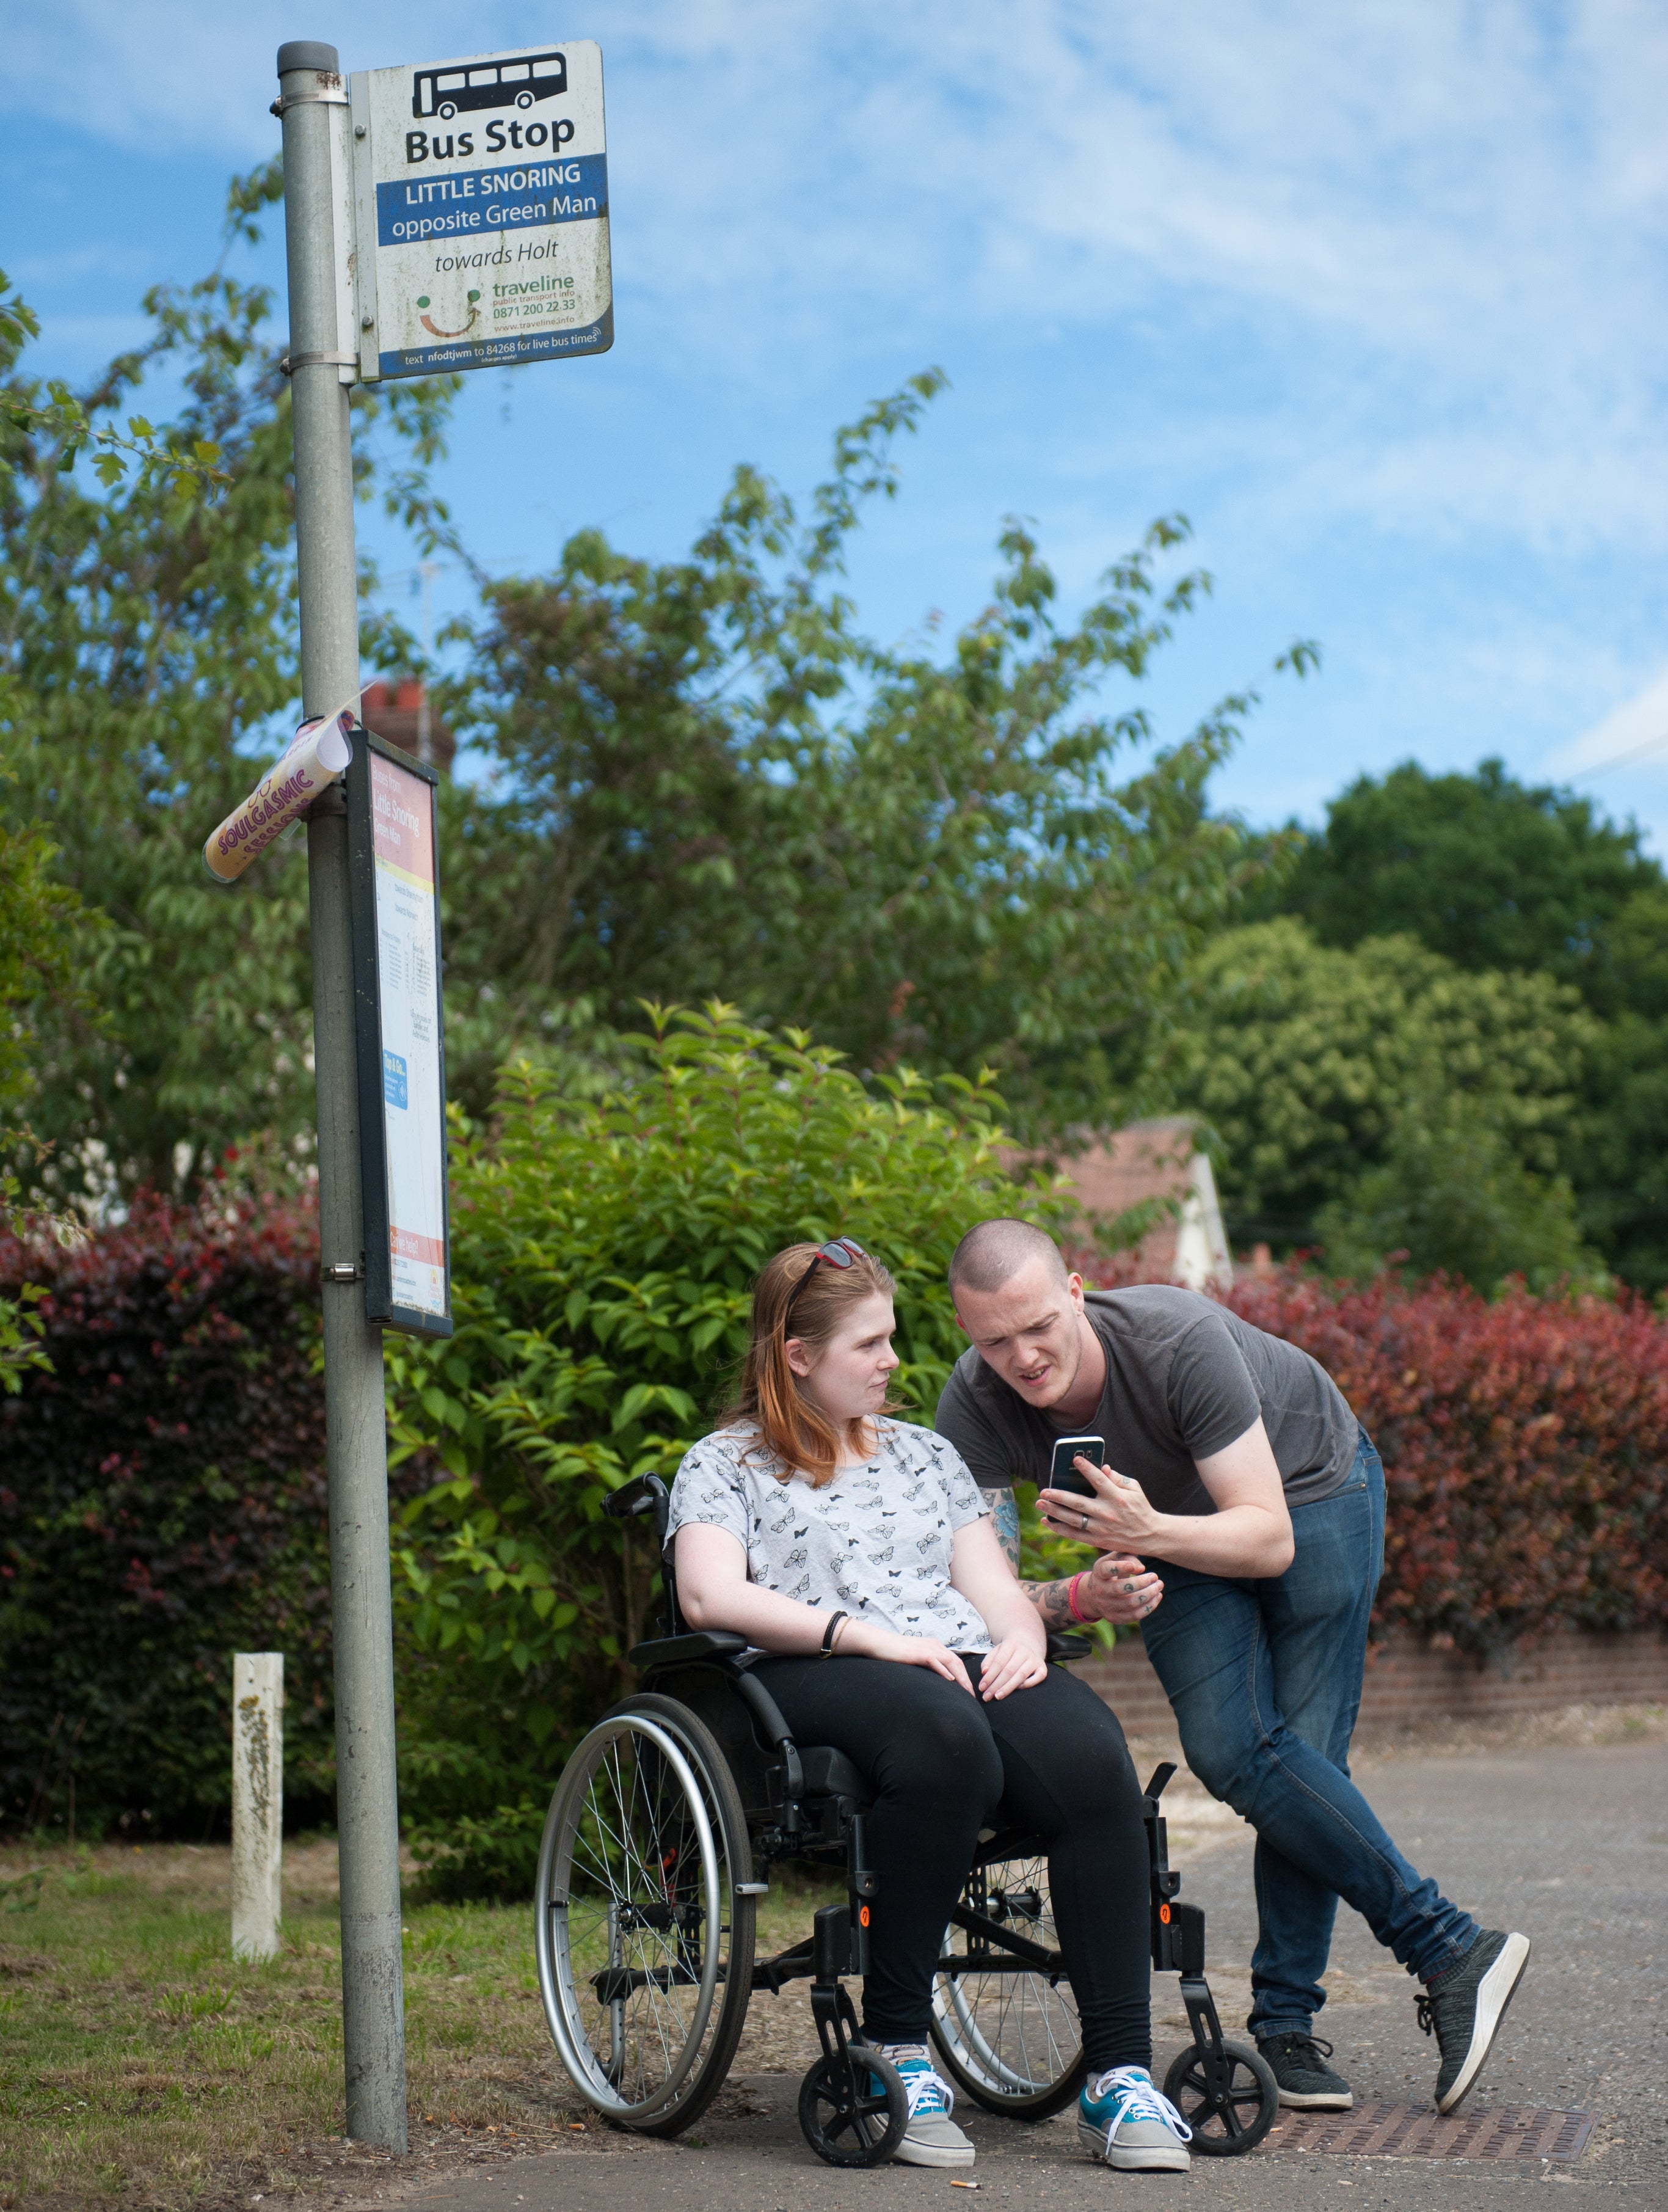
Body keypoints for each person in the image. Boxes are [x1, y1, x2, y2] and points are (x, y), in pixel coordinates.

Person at [934, 1218, 1531, 2119]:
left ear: (1078, 1289)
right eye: (993, 1339)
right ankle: (1452, 1951)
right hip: (1166, 1528)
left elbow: (1265, 1537)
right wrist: (1084, 1590)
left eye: (1039, 1326)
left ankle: (1291, 2021)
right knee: (1233, 1750)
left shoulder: (1178, 1340)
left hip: (1310, 1491)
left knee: (1306, 1755)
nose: (1022, 1357)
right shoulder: (973, 1406)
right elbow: (992, 1592)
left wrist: (1145, 1534)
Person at [668, 1236, 1192, 2172]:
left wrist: (1024, 1639)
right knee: (946, 1741)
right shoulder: (726, 1463)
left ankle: (1119, 2076)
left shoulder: (927, 1455)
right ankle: (900, 2049)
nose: (894, 1361)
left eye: (892, 1338)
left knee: (1089, 1756)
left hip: (952, 1657)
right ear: (798, 1356)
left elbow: (990, 1583)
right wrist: (864, 1635)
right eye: (869, 1344)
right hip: (809, 1668)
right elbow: (709, 1597)